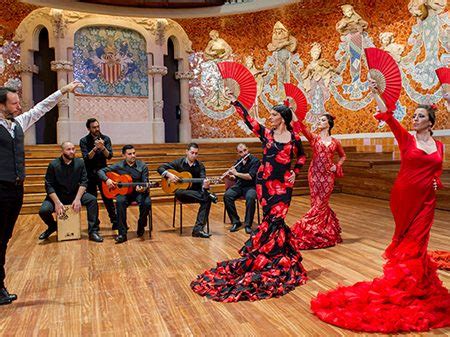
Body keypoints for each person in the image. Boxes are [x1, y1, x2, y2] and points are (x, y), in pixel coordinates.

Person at [311, 82, 450, 332]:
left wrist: (436, 181)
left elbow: (436, 169)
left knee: (419, 242)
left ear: (430, 122)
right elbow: (388, 117)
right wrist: (376, 93)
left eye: (420, 116)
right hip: (403, 196)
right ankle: (405, 284)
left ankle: (416, 283)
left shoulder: (439, 146)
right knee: (406, 238)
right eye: (414, 115)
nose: (415, 119)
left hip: (427, 199)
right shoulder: (406, 139)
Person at [191, 97, 307, 302]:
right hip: (266, 183)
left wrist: (295, 172)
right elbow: (248, 119)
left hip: (284, 185)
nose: (269, 118)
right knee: (271, 219)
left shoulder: (294, 138)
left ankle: (275, 257)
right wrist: (235, 103)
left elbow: (302, 157)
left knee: (278, 219)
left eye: (273, 115)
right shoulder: (266, 134)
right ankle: (272, 257)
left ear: (282, 118)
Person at [0, 81, 82, 305]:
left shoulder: (18, 123)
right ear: (1, 105)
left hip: (16, 189)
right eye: (14, 103)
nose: (19, 106)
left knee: (5, 238)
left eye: (18, 102)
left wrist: (63, 90)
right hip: (0, 188)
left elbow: (41, 108)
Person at [291, 114, 346, 249]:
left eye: (322, 120)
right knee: (316, 202)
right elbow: (302, 127)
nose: (319, 122)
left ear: (329, 123)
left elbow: (343, 156)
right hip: (314, 174)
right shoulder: (314, 138)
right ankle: (317, 231)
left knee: (322, 203)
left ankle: (315, 229)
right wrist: (293, 111)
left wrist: (337, 166)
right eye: (319, 120)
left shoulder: (335, 142)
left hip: (328, 176)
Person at [38, 142, 101, 242]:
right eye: (68, 149)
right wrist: (57, 202)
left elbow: (84, 182)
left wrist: (77, 199)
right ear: (62, 151)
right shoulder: (53, 165)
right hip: (58, 196)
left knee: (92, 200)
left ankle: (93, 231)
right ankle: (53, 227)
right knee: (43, 211)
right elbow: (48, 185)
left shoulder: (80, 163)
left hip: (74, 194)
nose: (72, 151)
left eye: (73, 149)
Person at [157, 143, 213, 239]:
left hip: (195, 194)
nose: (194, 155)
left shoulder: (200, 166)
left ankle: (198, 230)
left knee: (206, 199)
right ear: (186, 152)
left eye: (196, 153)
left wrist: (205, 186)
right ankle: (208, 196)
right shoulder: (179, 162)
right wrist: (169, 175)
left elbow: (203, 180)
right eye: (192, 153)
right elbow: (160, 168)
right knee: (180, 192)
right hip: (183, 194)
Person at [98, 145, 151, 244]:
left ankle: (141, 224)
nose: (133, 156)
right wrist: (107, 180)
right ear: (123, 155)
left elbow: (145, 182)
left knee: (146, 203)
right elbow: (100, 171)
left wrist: (143, 188)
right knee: (120, 201)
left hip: (138, 192)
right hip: (124, 192)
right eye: (130, 154)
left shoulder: (142, 166)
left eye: (134, 153)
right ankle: (122, 233)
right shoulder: (118, 166)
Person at [79, 118, 117, 229]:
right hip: (90, 173)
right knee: (92, 199)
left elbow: (109, 156)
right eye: (94, 127)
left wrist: (103, 147)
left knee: (108, 198)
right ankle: (95, 224)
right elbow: (86, 158)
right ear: (88, 128)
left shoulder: (106, 138)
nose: (96, 129)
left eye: (97, 126)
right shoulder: (84, 141)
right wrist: (96, 148)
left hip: (103, 173)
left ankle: (115, 221)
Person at [223, 143, 260, 234]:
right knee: (227, 196)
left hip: (251, 186)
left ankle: (248, 224)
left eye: (245, 150)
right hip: (239, 186)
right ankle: (236, 222)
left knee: (250, 198)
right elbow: (235, 178)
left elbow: (250, 176)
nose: (243, 153)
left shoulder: (255, 161)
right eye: (241, 152)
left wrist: (236, 173)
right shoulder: (238, 162)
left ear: (247, 149)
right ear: (238, 153)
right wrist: (229, 176)